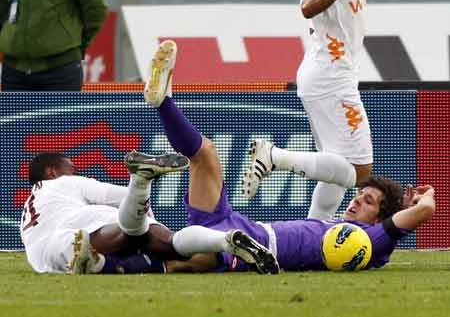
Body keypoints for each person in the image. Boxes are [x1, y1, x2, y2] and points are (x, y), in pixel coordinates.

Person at [134, 39, 435, 272]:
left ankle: (118, 260)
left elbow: (424, 212)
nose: (356, 201)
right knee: (205, 154)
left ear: (380, 219)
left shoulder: (369, 240)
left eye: (368, 201)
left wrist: (425, 198)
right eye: (360, 196)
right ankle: (162, 102)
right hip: (235, 223)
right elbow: (340, 177)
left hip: (252, 247)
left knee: (183, 257)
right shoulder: (332, 225)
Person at [243, 0, 384, 220]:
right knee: (359, 171)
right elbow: (307, 8)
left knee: (335, 170)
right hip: (330, 78)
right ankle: (274, 156)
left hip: (328, 75)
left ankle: (314, 232)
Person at [21, 150, 278, 275]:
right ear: (52, 172)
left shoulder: (29, 210)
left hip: (47, 254)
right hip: (80, 226)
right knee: (169, 244)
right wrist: (149, 224)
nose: (76, 173)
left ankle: (94, 260)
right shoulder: (63, 183)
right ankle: (224, 239)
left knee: (118, 247)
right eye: (72, 169)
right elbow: (120, 196)